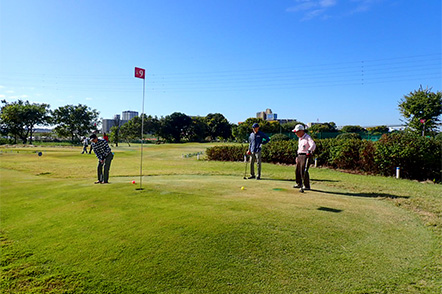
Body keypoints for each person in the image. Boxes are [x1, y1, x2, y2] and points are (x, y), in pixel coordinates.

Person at [292, 124, 316, 190]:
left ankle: (306, 186)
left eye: (297, 132)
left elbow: (313, 145)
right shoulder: (300, 139)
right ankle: (299, 183)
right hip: (300, 155)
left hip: (306, 155)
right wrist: (297, 156)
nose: (296, 133)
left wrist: (309, 150)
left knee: (304, 170)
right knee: (297, 170)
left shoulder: (307, 137)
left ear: (302, 131)